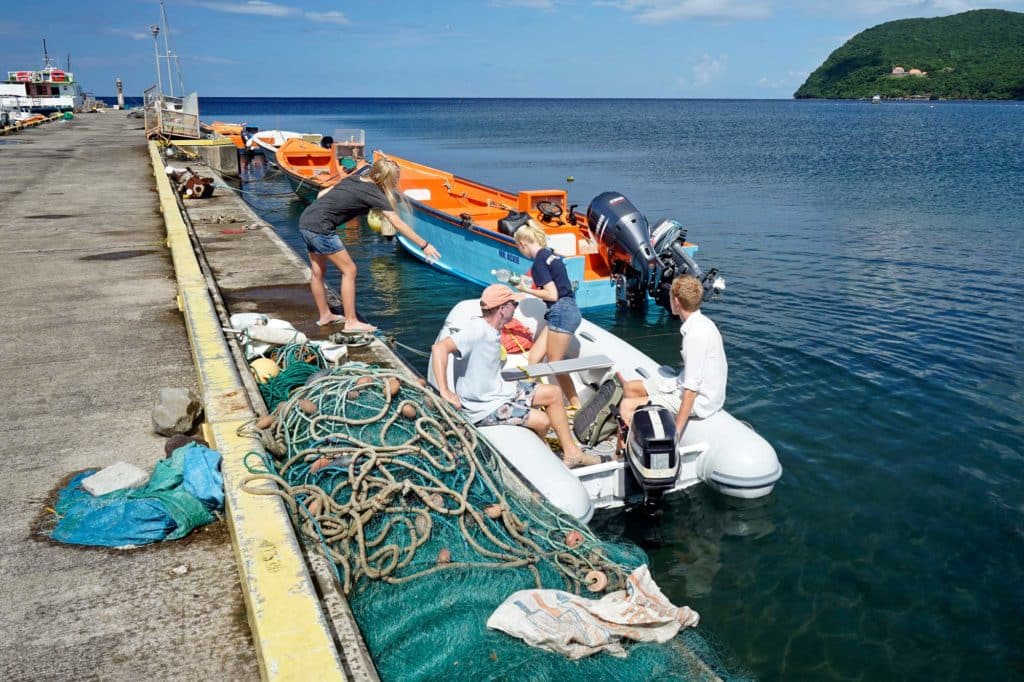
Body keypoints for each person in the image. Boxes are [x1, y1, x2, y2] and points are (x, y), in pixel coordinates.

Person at [431, 284, 600, 469]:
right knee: (543, 421)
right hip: (484, 407)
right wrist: (445, 391)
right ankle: (542, 459)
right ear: (502, 309)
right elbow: (439, 348)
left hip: (499, 391)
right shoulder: (476, 330)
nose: (516, 309)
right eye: (515, 305)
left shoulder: (493, 328)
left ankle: (572, 453)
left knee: (553, 393)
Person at [297, 155, 441, 331]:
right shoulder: (375, 193)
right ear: (385, 179)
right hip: (321, 228)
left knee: (318, 272)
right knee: (349, 270)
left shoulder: (354, 179)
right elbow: (397, 223)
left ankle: (325, 315)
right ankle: (351, 322)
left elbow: (321, 194)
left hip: (306, 221)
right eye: (394, 180)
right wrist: (424, 245)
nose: (396, 183)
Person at [618, 274, 727, 441]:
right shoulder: (703, 323)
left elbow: (691, 391)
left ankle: (622, 453)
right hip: (682, 385)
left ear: (676, 302)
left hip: (701, 401)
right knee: (630, 388)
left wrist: (676, 433)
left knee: (626, 405)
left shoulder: (694, 336)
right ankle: (634, 430)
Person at [512, 220, 582, 409]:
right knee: (534, 358)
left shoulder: (539, 262)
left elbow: (552, 294)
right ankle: (534, 400)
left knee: (554, 363)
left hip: (561, 311)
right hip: (564, 309)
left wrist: (526, 290)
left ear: (523, 244)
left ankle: (575, 404)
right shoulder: (551, 255)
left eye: (520, 248)